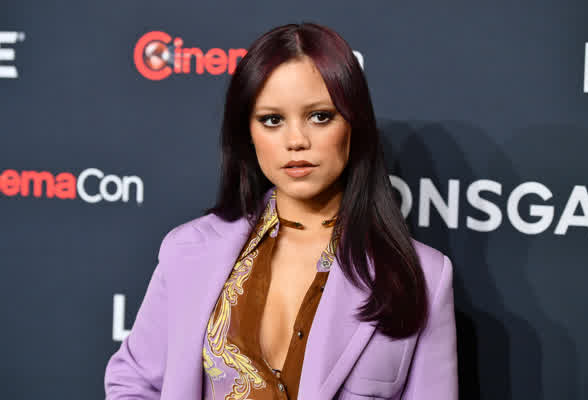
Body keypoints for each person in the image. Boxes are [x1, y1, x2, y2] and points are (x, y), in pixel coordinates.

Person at [104, 22, 458, 400]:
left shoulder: (423, 277)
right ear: (247, 133)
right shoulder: (188, 251)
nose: (296, 141)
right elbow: (134, 383)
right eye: (272, 120)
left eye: (320, 116)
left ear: (354, 124)